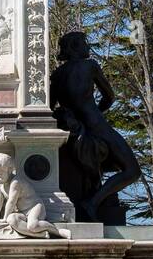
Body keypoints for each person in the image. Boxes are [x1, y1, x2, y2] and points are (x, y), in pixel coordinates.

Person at [50, 31, 142, 222]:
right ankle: (93, 201)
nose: (88, 47)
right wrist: (97, 111)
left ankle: (96, 199)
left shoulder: (58, 75)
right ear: (76, 47)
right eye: (84, 43)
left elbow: (50, 107)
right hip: (96, 125)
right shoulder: (90, 66)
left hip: (74, 128)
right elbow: (109, 96)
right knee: (132, 170)